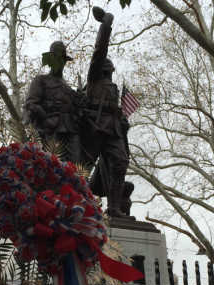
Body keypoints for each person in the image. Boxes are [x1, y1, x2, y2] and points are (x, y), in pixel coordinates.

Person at [83, 8, 133, 220]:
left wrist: (122, 121)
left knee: (120, 164)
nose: (106, 63)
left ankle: (114, 207)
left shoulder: (112, 86)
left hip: (113, 128)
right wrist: (106, 25)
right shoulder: (94, 79)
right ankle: (76, 204)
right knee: (81, 168)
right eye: (105, 62)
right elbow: (99, 51)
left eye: (108, 63)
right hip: (95, 126)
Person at [23, 41, 82, 164]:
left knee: (77, 167)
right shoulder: (41, 80)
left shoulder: (68, 88)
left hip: (71, 130)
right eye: (56, 58)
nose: (60, 62)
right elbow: (29, 104)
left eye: (62, 59)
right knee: (53, 166)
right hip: (50, 128)